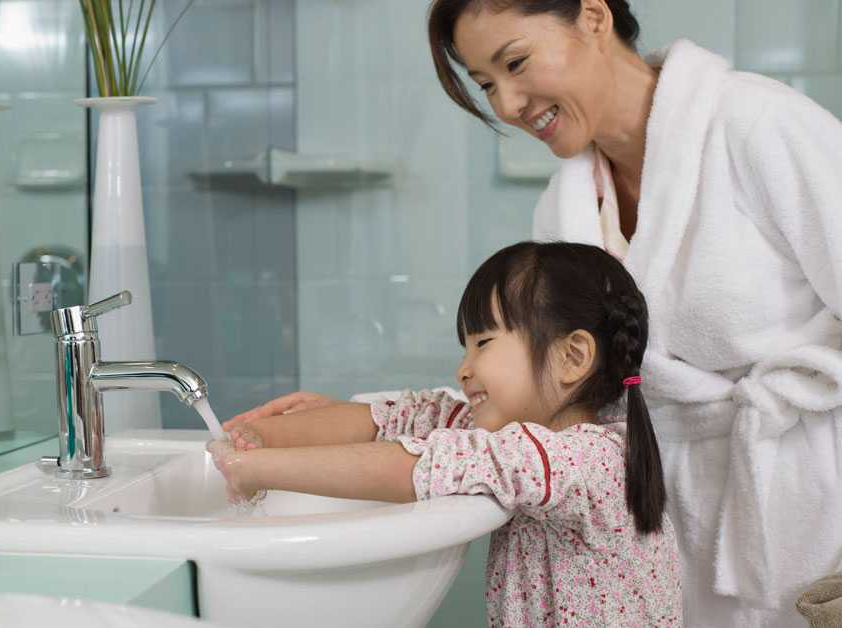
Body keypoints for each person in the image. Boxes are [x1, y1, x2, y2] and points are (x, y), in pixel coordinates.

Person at [231, 1, 842, 625]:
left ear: (594, 17)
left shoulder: (758, 126)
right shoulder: (565, 206)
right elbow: (536, 392)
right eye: (487, 84)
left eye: (515, 62)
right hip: (660, 518)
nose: (505, 105)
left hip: (804, 505)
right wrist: (327, 421)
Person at [211, 241, 682, 626]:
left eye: (482, 344)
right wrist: (268, 435)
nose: (464, 368)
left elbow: (412, 467)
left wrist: (255, 469)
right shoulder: (508, 437)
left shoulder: (591, 460)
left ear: (571, 357)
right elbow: (395, 420)